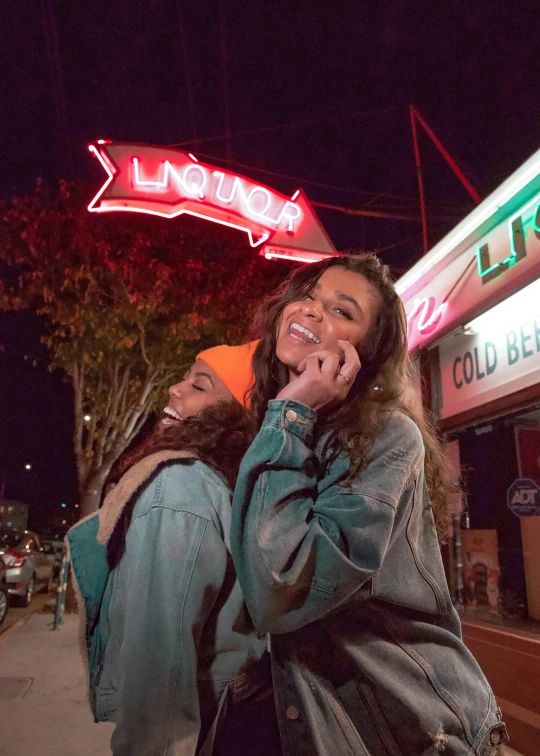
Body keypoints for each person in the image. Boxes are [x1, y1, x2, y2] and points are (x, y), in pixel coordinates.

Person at [231, 254, 509, 755]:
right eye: (309, 296)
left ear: (365, 352)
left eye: (342, 310)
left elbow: (280, 588)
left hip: (397, 723)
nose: (310, 311)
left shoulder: (385, 436)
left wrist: (291, 414)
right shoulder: (289, 429)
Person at [67, 342, 282, 756]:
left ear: (233, 418)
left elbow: (158, 678)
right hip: (241, 715)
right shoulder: (235, 485)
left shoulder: (178, 487)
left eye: (199, 385)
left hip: (209, 727)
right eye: (184, 377)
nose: (173, 389)